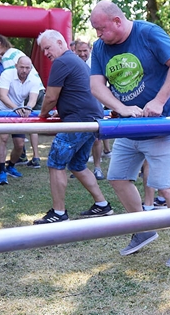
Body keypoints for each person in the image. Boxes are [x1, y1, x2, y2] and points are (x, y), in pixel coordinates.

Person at [89, 0, 170, 266]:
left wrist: (159, 101)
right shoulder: (100, 48)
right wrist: (121, 108)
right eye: (95, 30)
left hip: (161, 126)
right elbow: (96, 85)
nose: (98, 35)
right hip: (129, 127)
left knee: (166, 186)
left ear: (117, 21)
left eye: (101, 29)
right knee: (117, 178)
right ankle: (144, 228)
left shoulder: (148, 33)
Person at [33, 30, 113, 225]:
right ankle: (102, 205)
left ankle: (58, 213)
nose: (46, 53)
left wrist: (41, 116)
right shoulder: (75, 61)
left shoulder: (62, 62)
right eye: (43, 50)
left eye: (47, 48)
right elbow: (78, 92)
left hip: (79, 121)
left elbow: (51, 97)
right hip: (91, 120)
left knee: (55, 163)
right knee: (77, 165)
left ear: (60, 42)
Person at [0, 34, 42, 172]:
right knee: (4, 138)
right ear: (16, 66)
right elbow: (2, 96)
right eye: (22, 67)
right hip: (2, 107)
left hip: (17, 108)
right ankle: (2, 170)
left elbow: (33, 98)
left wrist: (28, 108)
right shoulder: (7, 73)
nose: (24, 71)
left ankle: (11, 166)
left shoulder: (34, 78)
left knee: (19, 144)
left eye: (27, 68)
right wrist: (17, 108)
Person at [74, 38, 109, 180]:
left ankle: (97, 168)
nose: (82, 54)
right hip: (78, 106)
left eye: (85, 51)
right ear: (74, 50)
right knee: (77, 136)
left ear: (90, 50)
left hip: (95, 105)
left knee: (96, 139)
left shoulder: (96, 63)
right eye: (79, 51)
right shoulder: (73, 63)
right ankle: (78, 166)